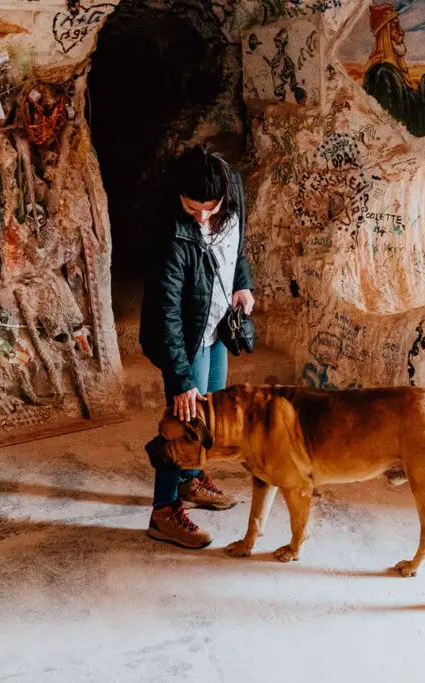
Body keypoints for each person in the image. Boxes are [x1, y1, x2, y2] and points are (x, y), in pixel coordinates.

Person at [139, 146, 255, 549]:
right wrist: (181, 377)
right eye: (193, 208)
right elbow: (166, 311)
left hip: (218, 325)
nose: (203, 217)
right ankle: (163, 511)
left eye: (210, 209)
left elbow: (238, 248)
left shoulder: (234, 189)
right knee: (183, 419)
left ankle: (191, 483)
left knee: (210, 414)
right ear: (179, 197)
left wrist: (243, 283)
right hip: (184, 335)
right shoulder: (169, 233)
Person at [363, 2, 425, 138]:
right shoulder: (382, 75)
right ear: (385, 34)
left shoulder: (389, 72)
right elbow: (408, 126)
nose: (401, 31)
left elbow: (413, 109)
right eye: (395, 26)